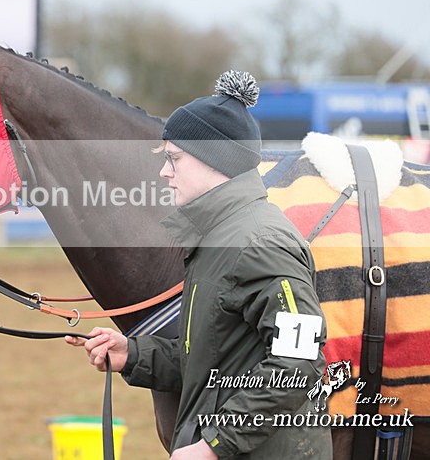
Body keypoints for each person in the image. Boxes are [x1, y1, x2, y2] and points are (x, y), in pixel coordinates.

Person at [66, 71, 332, 459]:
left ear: (214, 160)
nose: (164, 172)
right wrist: (132, 354)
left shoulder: (260, 243)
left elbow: (299, 363)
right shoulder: (213, 240)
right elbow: (210, 359)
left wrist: (213, 445)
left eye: (174, 158)